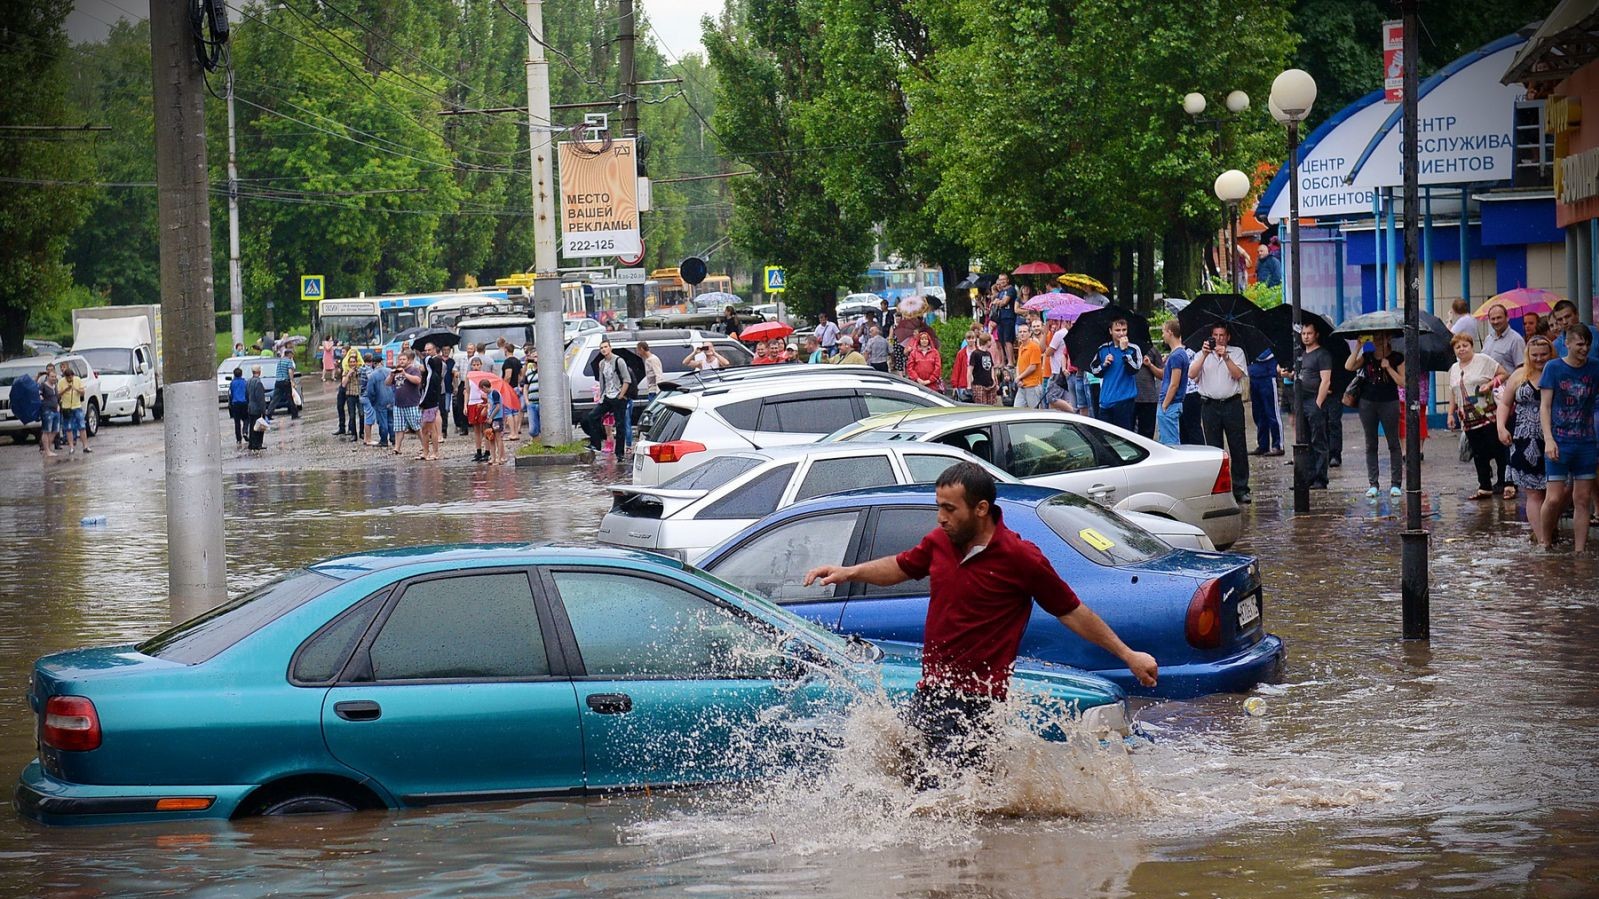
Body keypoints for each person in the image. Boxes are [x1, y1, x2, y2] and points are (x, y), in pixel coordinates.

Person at [800, 463, 1157, 786]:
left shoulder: (1021, 558)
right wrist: (849, 572)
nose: (940, 517)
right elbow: (901, 566)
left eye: (949, 509)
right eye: (938, 507)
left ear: (981, 509)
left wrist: (1128, 655)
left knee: (950, 800)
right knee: (912, 787)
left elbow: (1072, 611)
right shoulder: (940, 542)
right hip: (931, 694)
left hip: (978, 703)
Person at [1540, 325, 1599, 551]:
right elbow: (1544, 407)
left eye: (1587, 344)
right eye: (1579, 344)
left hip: (1586, 442)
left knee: (1582, 499)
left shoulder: (1595, 368)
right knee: (1554, 498)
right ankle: (1545, 542)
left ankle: (1580, 550)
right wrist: (1548, 439)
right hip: (1560, 440)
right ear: (1567, 343)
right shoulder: (1553, 368)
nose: (1584, 349)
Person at [1500, 336, 1553, 544]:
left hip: (1552, 437)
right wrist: (1501, 427)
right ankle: (1542, 540)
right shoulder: (1519, 375)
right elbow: (1505, 403)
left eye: (1543, 354)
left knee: (1556, 492)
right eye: (1535, 355)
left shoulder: (1556, 372)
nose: (1539, 359)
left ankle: (1548, 528)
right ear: (1528, 355)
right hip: (1523, 437)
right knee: (1533, 494)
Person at [1447, 332, 1510, 501]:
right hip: (1467, 420)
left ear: (1471, 346)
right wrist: (1450, 414)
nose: (1461, 349)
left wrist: (1490, 384)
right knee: (1478, 453)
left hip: (1489, 415)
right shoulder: (1453, 369)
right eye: (1457, 347)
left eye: (1464, 345)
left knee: (1498, 450)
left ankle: (1505, 483)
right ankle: (1484, 486)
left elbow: (1504, 374)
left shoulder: (1483, 360)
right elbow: (1453, 393)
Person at [1190, 323, 1250, 502]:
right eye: (1215, 335)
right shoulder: (1202, 354)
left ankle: (1241, 488)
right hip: (1209, 405)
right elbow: (1192, 374)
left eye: (1222, 335)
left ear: (1228, 337)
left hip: (1232, 404)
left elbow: (1238, 375)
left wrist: (1226, 358)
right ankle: (1218, 488)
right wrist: (1204, 355)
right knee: (1214, 448)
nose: (1218, 338)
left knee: (1238, 446)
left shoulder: (1236, 352)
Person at [1345, 333, 1405, 498]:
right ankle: (1373, 483)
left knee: (1393, 442)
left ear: (1388, 339)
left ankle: (1395, 484)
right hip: (1367, 403)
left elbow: (1403, 381)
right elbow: (1349, 366)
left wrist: (1389, 367)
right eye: (1375, 338)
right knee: (1371, 443)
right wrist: (1357, 346)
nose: (1378, 341)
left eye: (1382, 338)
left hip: (1389, 402)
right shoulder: (1367, 356)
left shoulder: (1397, 357)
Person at [1290, 321, 1334, 490]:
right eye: (1303, 334)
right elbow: (1300, 374)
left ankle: (1320, 478)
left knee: (1318, 440)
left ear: (1316, 335)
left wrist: (1318, 403)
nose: (1306, 337)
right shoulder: (1301, 354)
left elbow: (1326, 380)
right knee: (1303, 440)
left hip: (1314, 400)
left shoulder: (1322, 355)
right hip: (1300, 400)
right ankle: (1306, 477)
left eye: (1309, 333)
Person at [581, 338, 632, 458]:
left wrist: (621, 395)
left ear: (610, 348)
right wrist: (602, 396)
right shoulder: (602, 363)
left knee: (620, 426)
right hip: (607, 396)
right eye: (601, 348)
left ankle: (620, 454)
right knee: (592, 416)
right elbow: (602, 381)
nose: (603, 349)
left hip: (618, 396)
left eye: (605, 347)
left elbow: (627, 379)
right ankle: (596, 444)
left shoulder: (619, 361)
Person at [1090, 319, 1143, 430]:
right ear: (1110, 331)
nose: (1121, 333)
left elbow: (1135, 369)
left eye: (1124, 330)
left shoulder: (1133, 348)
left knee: (1125, 438)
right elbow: (1094, 370)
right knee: (1105, 438)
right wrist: (1104, 364)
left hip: (1124, 401)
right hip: (1105, 400)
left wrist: (1125, 352)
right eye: (1117, 330)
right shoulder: (1103, 349)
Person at [1157, 321, 1188, 446]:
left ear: (1170, 332)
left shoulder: (1177, 356)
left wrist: (1165, 404)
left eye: (1163, 332)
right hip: (1172, 403)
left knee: (1170, 443)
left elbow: (1174, 383)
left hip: (1170, 404)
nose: (1162, 335)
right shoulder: (1177, 354)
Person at [1247, 346, 1282, 455]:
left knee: (1272, 413)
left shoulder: (1267, 340)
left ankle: (1278, 445)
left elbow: (1266, 355)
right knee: (1258, 414)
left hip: (1267, 376)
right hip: (1253, 377)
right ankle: (1263, 445)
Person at [390, 349, 424, 457]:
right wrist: (391, 375)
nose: (401, 361)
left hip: (412, 403)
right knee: (399, 427)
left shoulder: (414, 370)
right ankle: (397, 448)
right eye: (400, 359)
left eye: (404, 359)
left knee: (417, 426)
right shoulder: (396, 371)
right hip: (398, 404)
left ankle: (425, 446)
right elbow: (387, 383)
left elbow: (418, 381)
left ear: (409, 360)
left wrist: (405, 374)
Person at [418, 343, 445, 462]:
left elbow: (431, 365)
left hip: (430, 401)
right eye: (426, 350)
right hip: (426, 400)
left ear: (434, 349)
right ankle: (426, 451)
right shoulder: (428, 373)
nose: (427, 352)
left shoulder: (436, 363)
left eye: (429, 350)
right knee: (425, 428)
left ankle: (434, 452)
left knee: (429, 428)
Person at [1481, 303, 1526, 373]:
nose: (1496, 321)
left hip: (1507, 383)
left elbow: (1521, 369)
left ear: (1507, 318)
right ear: (1489, 320)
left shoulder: (1516, 340)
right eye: (1493, 319)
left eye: (1499, 318)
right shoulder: (1488, 339)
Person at [57, 367, 91, 455]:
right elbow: (58, 394)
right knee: (68, 428)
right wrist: (65, 390)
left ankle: (85, 446)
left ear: (73, 376)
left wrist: (75, 389)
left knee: (82, 426)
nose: (69, 379)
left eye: (70, 378)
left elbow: (83, 392)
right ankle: (71, 447)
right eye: (67, 378)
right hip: (66, 407)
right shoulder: (61, 382)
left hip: (77, 406)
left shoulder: (77, 380)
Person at [1011, 322, 1045, 408]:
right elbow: (1018, 365)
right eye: (1020, 332)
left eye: (1024, 331)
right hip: (1022, 385)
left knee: (1034, 412)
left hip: (1032, 385)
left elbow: (1032, 367)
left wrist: (1019, 377)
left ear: (1029, 333)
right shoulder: (1021, 347)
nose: (1022, 334)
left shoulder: (1034, 347)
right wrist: (1018, 379)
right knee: (1016, 409)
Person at [1133, 348, 1161, 439]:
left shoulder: (1152, 350)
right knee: (1128, 434)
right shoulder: (1124, 350)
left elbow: (1162, 375)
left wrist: (1150, 365)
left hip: (1149, 398)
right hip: (1129, 398)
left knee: (1147, 436)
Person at [992, 273, 1018, 367]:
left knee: (1008, 340)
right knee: (1001, 341)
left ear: (1007, 280)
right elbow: (995, 301)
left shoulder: (1011, 290)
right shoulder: (1001, 292)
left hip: (1009, 317)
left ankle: (1011, 361)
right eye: (1000, 279)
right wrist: (998, 302)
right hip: (1000, 318)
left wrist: (998, 302)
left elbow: (1004, 302)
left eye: (1004, 279)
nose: (1002, 281)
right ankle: (1003, 361)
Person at [500, 344, 523, 442]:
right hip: (516, 388)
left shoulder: (508, 362)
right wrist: (518, 382)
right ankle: (516, 431)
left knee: (508, 411)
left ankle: (512, 433)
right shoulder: (517, 361)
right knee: (515, 411)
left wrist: (504, 386)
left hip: (509, 388)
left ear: (506, 350)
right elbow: (522, 373)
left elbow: (508, 375)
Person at [969, 332, 998, 405]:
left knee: (992, 405)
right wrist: (969, 385)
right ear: (987, 341)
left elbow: (991, 368)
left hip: (990, 384)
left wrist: (994, 380)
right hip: (979, 385)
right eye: (990, 341)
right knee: (981, 406)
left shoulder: (988, 353)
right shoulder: (975, 353)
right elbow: (970, 370)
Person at [245, 365, 268, 452]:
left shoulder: (249, 381)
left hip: (250, 407)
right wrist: (263, 410)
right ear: (259, 372)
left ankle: (252, 443)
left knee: (252, 426)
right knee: (259, 426)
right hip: (257, 408)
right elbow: (260, 399)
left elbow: (246, 394)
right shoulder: (258, 383)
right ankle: (257, 444)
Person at [485, 378, 507, 466]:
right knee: (491, 437)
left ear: (485, 387)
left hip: (497, 418)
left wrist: (491, 417)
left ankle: (500, 457)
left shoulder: (494, 393)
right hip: (490, 418)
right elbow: (491, 405)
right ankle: (493, 457)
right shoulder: (488, 395)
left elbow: (498, 406)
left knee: (498, 438)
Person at [38, 369, 59, 459]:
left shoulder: (55, 386)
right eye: (52, 377)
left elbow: (56, 397)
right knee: (46, 431)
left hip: (55, 410)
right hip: (47, 410)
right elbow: (39, 394)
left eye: (55, 376)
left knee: (55, 431)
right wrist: (41, 397)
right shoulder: (43, 385)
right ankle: (46, 450)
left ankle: (48, 448)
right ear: (48, 377)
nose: (54, 378)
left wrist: (58, 405)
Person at [228, 366, 249, 447]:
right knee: (246, 419)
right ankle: (245, 431)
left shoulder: (232, 383)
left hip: (235, 403)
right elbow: (247, 392)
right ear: (241, 374)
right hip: (244, 403)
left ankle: (238, 439)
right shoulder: (244, 382)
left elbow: (231, 393)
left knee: (237, 422)